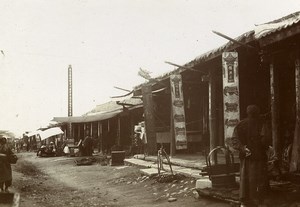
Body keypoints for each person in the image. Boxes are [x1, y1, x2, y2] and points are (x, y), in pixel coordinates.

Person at [227, 105, 270, 207]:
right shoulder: (262, 124)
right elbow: (266, 140)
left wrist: (243, 148)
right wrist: (265, 147)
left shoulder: (241, 124)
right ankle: (259, 201)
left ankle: (244, 202)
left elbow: (234, 140)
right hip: (259, 157)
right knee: (259, 179)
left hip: (246, 156)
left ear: (247, 112)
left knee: (245, 179)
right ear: (257, 113)